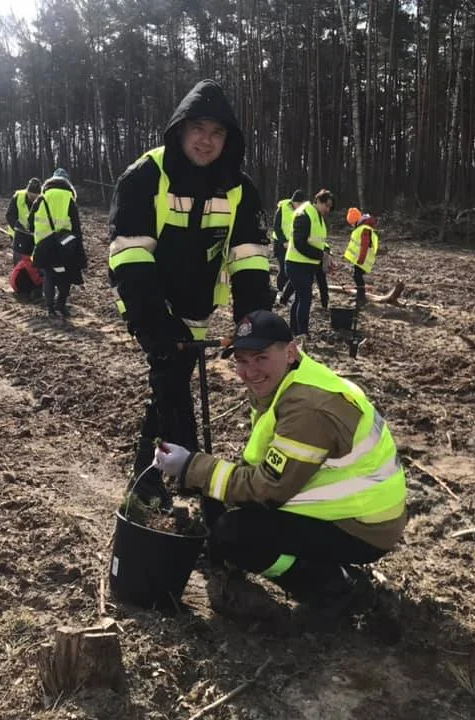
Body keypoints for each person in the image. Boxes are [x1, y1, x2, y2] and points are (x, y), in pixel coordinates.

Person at [153, 310, 406, 621]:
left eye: (260, 358)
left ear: (290, 351)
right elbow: (261, 469)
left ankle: (337, 587)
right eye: (242, 361)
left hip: (364, 526)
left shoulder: (307, 409)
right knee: (218, 496)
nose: (250, 371)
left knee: (237, 535)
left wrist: (192, 466)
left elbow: (269, 490)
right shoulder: (293, 381)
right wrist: (207, 480)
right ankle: (243, 565)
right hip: (348, 506)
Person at [107, 79, 273, 509]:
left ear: (228, 139)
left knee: (169, 386)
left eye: (217, 133)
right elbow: (129, 255)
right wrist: (154, 322)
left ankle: (148, 478)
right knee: (173, 386)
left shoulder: (240, 189)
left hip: (197, 309)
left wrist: (254, 326)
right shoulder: (144, 176)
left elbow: (250, 262)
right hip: (152, 306)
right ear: (180, 129)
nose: (206, 140)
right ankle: (198, 486)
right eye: (198, 128)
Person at [29, 169, 86, 318]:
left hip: (43, 245)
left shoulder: (42, 198)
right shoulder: (69, 198)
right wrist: (77, 246)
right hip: (64, 246)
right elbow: (76, 226)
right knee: (65, 276)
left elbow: (30, 223)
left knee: (49, 276)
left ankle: (50, 309)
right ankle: (61, 305)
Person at [285, 189, 334, 336]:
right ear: (318, 201)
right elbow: (299, 243)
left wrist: (326, 252)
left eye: (330, 207)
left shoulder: (317, 216)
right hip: (296, 264)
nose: (328, 209)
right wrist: (321, 255)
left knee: (300, 297)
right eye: (326, 205)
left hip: (306, 265)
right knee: (305, 298)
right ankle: (302, 333)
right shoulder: (304, 214)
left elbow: (317, 240)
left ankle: (294, 329)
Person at [344, 207, 380, 307]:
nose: (351, 225)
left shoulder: (364, 229)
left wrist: (361, 259)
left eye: (351, 223)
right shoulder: (363, 228)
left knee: (357, 277)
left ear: (354, 221)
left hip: (362, 260)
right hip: (361, 259)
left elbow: (364, 245)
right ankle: (360, 296)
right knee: (357, 276)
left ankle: (361, 298)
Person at [272, 189, 306, 294]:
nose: (299, 206)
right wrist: (283, 241)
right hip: (280, 244)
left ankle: (288, 292)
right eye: (298, 203)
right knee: (283, 269)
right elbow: (276, 227)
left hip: (293, 245)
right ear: (293, 201)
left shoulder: (302, 211)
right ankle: (280, 290)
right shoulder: (282, 209)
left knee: (291, 270)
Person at [6, 177, 42, 264]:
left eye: (35, 197)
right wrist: (18, 227)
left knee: (32, 260)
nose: (33, 199)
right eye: (31, 196)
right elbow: (9, 215)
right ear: (27, 191)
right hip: (17, 233)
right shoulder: (18, 196)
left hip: (34, 234)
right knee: (19, 260)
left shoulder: (42, 200)